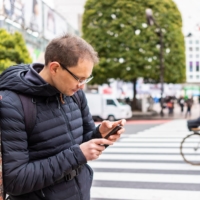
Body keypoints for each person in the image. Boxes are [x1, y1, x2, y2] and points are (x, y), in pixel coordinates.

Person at [0, 34, 126, 200]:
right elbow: (15, 180)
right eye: (79, 78)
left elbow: (82, 142)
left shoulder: (75, 94)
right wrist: (77, 155)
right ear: (54, 68)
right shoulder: (13, 103)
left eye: (87, 78)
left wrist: (100, 135)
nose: (82, 85)